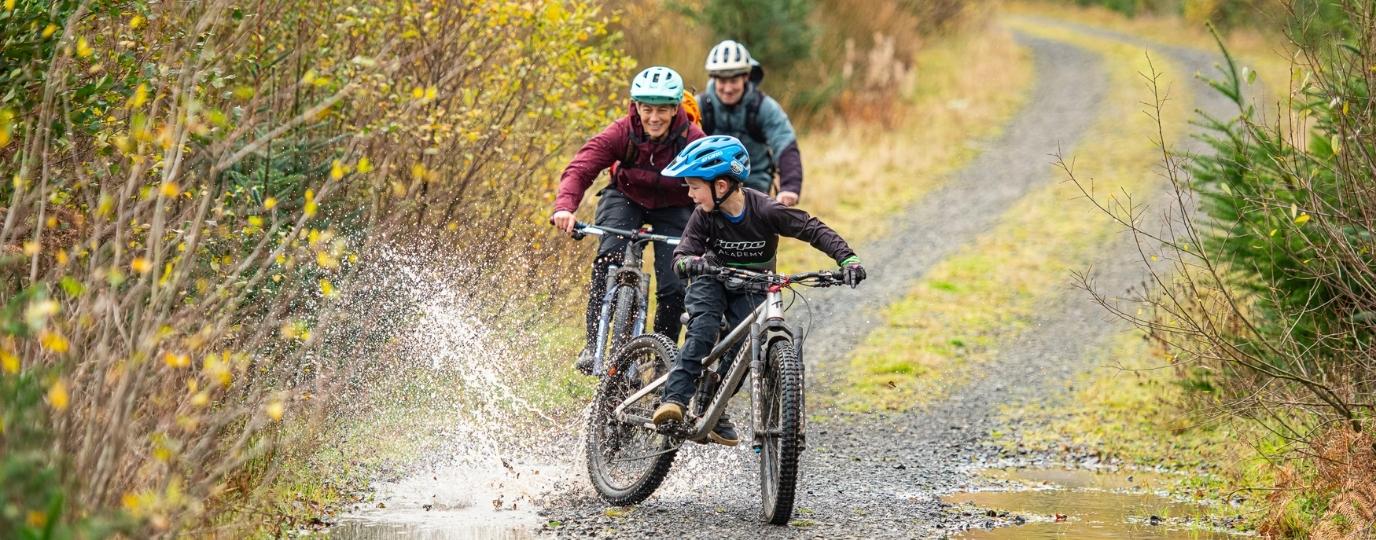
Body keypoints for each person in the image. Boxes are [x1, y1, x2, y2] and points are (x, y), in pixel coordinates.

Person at [651, 135, 865, 445]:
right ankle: (674, 401)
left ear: (720, 186)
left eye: (694, 187)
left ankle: (714, 403)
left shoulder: (766, 209)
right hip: (711, 279)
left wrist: (847, 258)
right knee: (704, 329)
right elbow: (683, 253)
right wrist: (688, 263)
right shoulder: (704, 216)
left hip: (753, 285)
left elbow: (811, 228)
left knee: (746, 346)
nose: (691, 195)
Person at [551, 66, 706, 375]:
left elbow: (716, 182)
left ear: (676, 108)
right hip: (626, 197)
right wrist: (565, 207)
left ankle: (663, 360)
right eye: (646, 108)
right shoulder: (622, 131)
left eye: (662, 109)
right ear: (636, 106)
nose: (654, 117)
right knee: (609, 257)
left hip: (674, 206)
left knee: (675, 284)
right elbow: (581, 167)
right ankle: (594, 344)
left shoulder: (693, 138)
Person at [698, 40, 804, 207]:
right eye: (722, 81)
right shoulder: (701, 106)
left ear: (746, 77)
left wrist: (790, 187)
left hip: (754, 186)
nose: (728, 88)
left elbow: (784, 143)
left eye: (734, 81)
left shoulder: (764, 107)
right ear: (713, 79)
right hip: (710, 184)